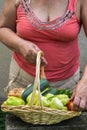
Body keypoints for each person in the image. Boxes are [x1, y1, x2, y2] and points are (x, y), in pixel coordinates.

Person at [0, 0, 87, 111]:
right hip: (22, 83)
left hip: (66, 86)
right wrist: (20, 45)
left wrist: (85, 82)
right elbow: (3, 28)